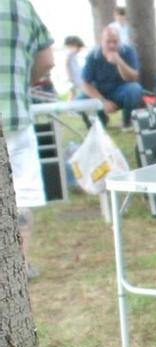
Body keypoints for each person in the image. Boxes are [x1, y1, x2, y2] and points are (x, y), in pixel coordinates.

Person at [0, 0, 54, 280]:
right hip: (15, 117)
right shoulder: (20, 5)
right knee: (22, 194)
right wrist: (20, 85)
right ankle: (16, 267)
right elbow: (47, 60)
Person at [80, 25, 143, 129]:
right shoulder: (93, 55)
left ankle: (127, 122)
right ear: (101, 41)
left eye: (115, 41)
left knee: (135, 89)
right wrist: (103, 102)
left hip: (121, 91)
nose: (112, 45)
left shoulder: (127, 51)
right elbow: (85, 84)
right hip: (100, 91)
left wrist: (119, 62)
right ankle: (100, 120)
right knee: (81, 100)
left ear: (120, 40)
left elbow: (133, 78)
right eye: (108, 42)